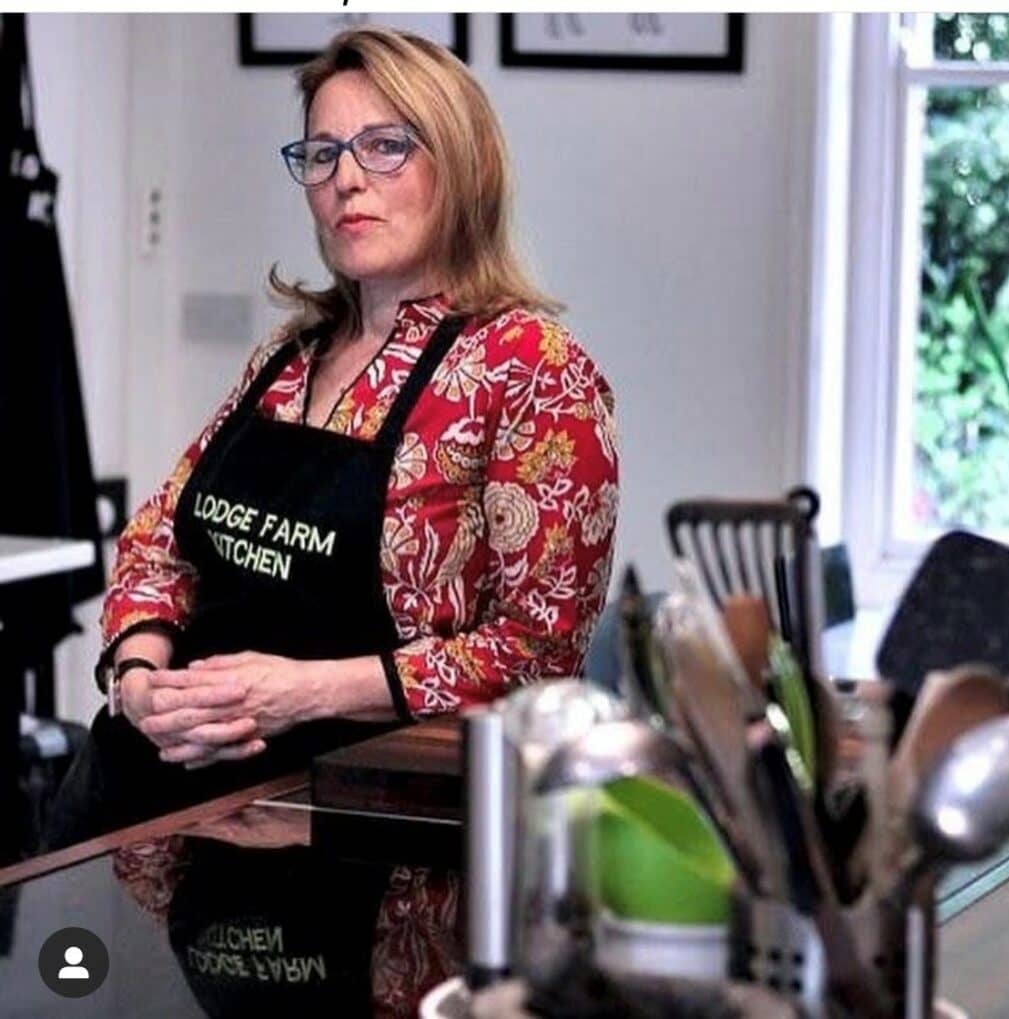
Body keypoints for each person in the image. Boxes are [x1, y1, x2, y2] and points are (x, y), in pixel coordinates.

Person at [50, 26, 618, 843]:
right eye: (322, 155)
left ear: (460, 162)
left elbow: (538, 654)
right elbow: (157, 542)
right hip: (138, 797)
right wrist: (139, 678)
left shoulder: (530, 370)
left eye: (386, 146)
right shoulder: (285, 359)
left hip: (350, 825)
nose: (347, 179)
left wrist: (303, 691)